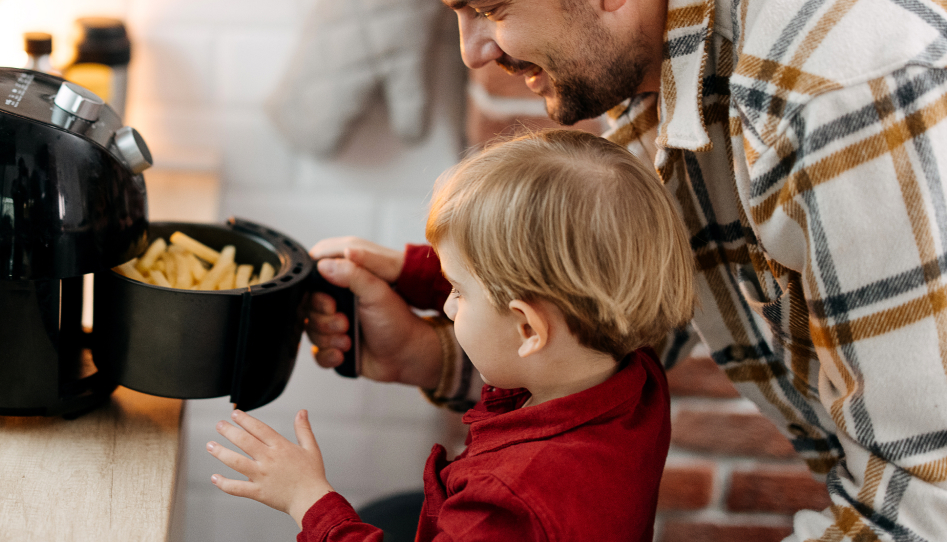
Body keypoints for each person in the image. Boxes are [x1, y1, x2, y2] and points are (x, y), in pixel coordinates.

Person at [306, 0, 947, 540]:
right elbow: (604, 324)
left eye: (489, 8)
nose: (473, 52)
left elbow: (920, 510)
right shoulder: (659, 29)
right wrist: (426, 354)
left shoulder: (843, 100)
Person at [207, 130, 696, 540]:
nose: (446, 303)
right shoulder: (633, 371)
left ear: (527, 329)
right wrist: (407, 268)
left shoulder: (501, 507)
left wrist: (308, 499)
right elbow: (538, 288)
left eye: (458, 291)